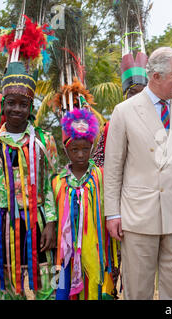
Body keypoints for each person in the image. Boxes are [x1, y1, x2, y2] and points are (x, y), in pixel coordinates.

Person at [104, 47, 172, 300]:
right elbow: (114, 167)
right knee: (137, 290)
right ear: (156, 76)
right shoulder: (124, 112)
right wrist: (112, 213)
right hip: (138, 216)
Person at [0, 61, 59, 299]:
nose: (16, 109)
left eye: (23, 104)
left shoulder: (44, 140)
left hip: (37, 223)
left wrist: (51, 222)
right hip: (2, 226)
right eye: (11, 103)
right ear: (2, 106)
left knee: (47, 286)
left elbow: (51, 183)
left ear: (30, 107)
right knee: (8, 288)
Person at [52, 107, 118, 300]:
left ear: (92, 148)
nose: (80, 155)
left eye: (85, 149)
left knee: (95, 289)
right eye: (74, 150)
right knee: (61, 288)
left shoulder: (101, 176)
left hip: (96, 251)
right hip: (63, 253)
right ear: (66, 151)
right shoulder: (57, 181)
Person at [92, 48, 149, 167]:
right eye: (133, 92)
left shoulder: (160, 122)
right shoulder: (111, 127)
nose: (137, 98)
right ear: (125, 96)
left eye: (142, 93)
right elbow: (99, 164)